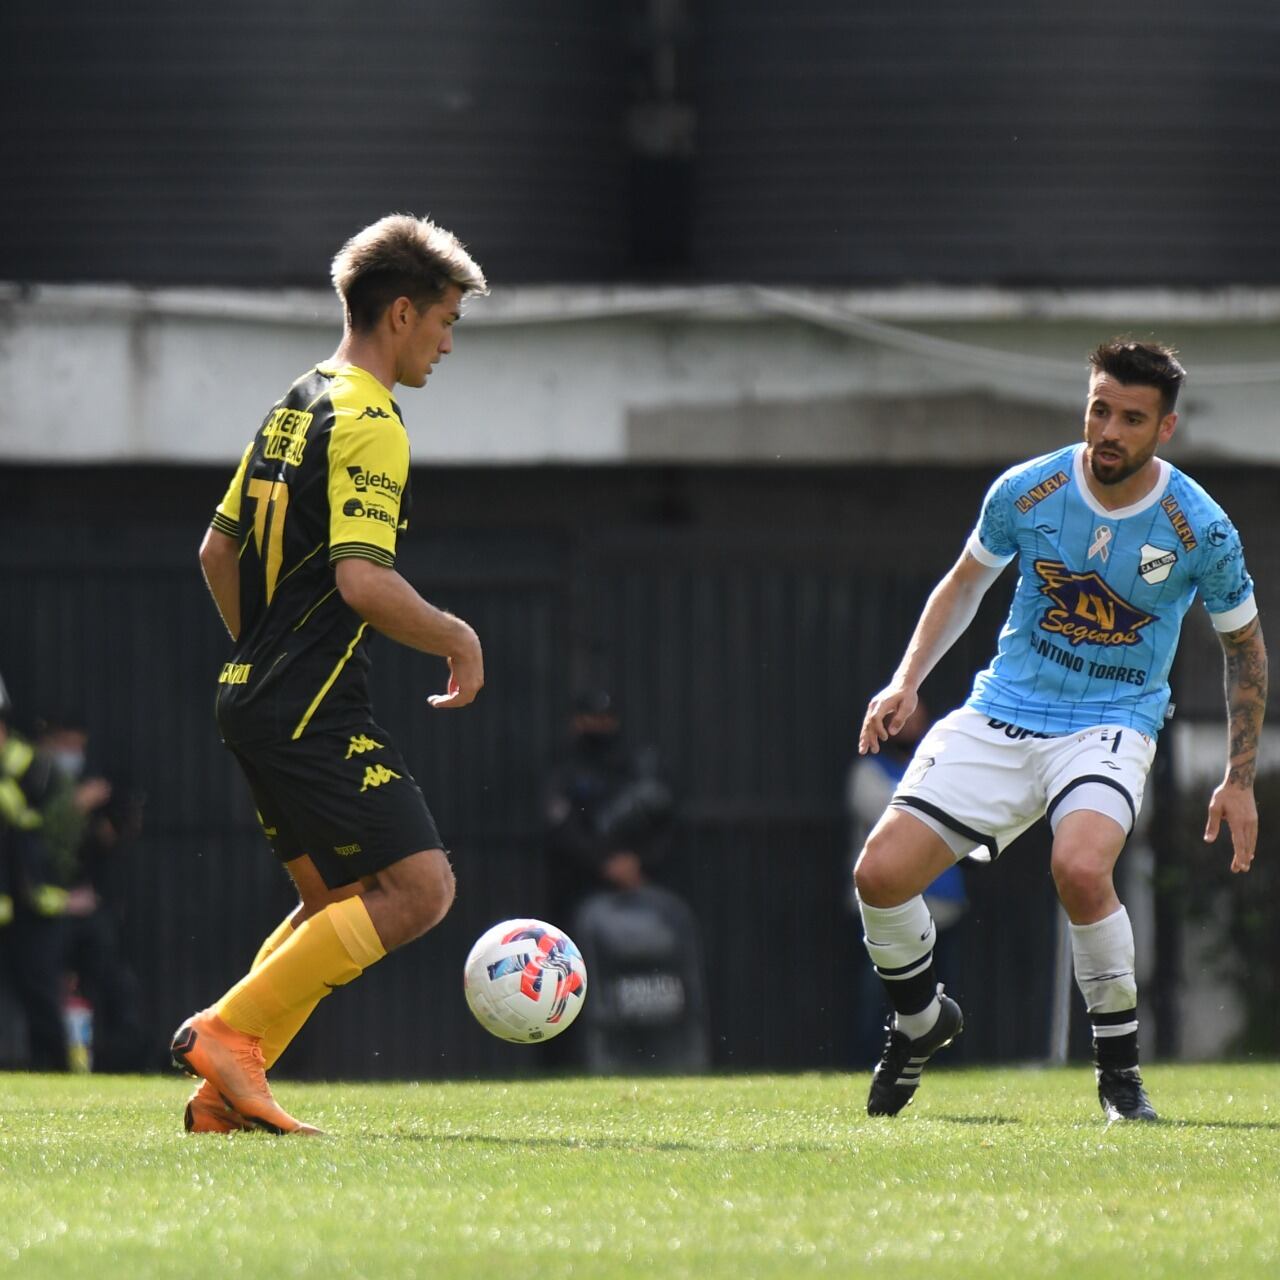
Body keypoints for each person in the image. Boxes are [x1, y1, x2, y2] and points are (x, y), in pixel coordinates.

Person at [853, 339, 1266, 1122]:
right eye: (1099, 409)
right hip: (1002, 712)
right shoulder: (1029, 489)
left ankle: (1119, 1079)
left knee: (1079, 868)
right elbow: (963, 586)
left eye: (1131, 418)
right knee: (877, 875)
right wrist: (907, 681)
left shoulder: (1199, 527)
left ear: (1165, 428)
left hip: (1111, 723)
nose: (1108, 430)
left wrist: (1238, 777)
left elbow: (1244, 647)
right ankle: (919, 1023)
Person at [172, 214, 488, 1134]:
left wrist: (263, 651)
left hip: (254, 693)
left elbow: (215, 553)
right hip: (306, 701)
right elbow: (363, 580)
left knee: (336, 901)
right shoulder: (370, 418)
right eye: (445, 321)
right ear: (400, 312)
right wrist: (456, 637)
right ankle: (228, 1034)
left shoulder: (294, 402)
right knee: (422, 889)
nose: (447, 342)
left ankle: (223, 1086)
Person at [845, 699, 967, 1063]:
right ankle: (874, 1061)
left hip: (942, 908)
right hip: (887, 910)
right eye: (902, 721)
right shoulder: (868, 774)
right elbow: (903, 818)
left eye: (918, 721)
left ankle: (939, 1065)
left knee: (941, 993)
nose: (911, 728)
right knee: (879, 993)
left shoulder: (942, 770)